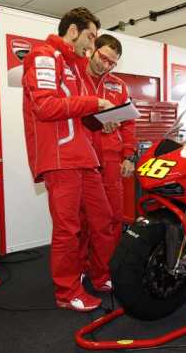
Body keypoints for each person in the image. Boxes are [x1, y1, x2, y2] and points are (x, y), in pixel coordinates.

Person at [22, 7, 115, 312]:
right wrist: (92, 102)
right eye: (90, 36)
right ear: (73, 31)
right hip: (60, 158)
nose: (92, 46)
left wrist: (104, 119)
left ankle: (99, 275)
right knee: (68, 229)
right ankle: (66, 292)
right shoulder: (43, 55)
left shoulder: (75, 67)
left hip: (84, 157)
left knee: (102, 221)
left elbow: (78, 116)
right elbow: (46, 107)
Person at [78, 34, 136, 274]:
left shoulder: (118, 85)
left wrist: (129, 155)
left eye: (112, 63)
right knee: (81, 220)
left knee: (112, 218)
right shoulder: (74, 76)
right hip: (81, 157)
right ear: (93, 50)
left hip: (111, 158)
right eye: (103, 58)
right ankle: (80, 268)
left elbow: (129, 124)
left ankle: (104, 271)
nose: (106, 65)